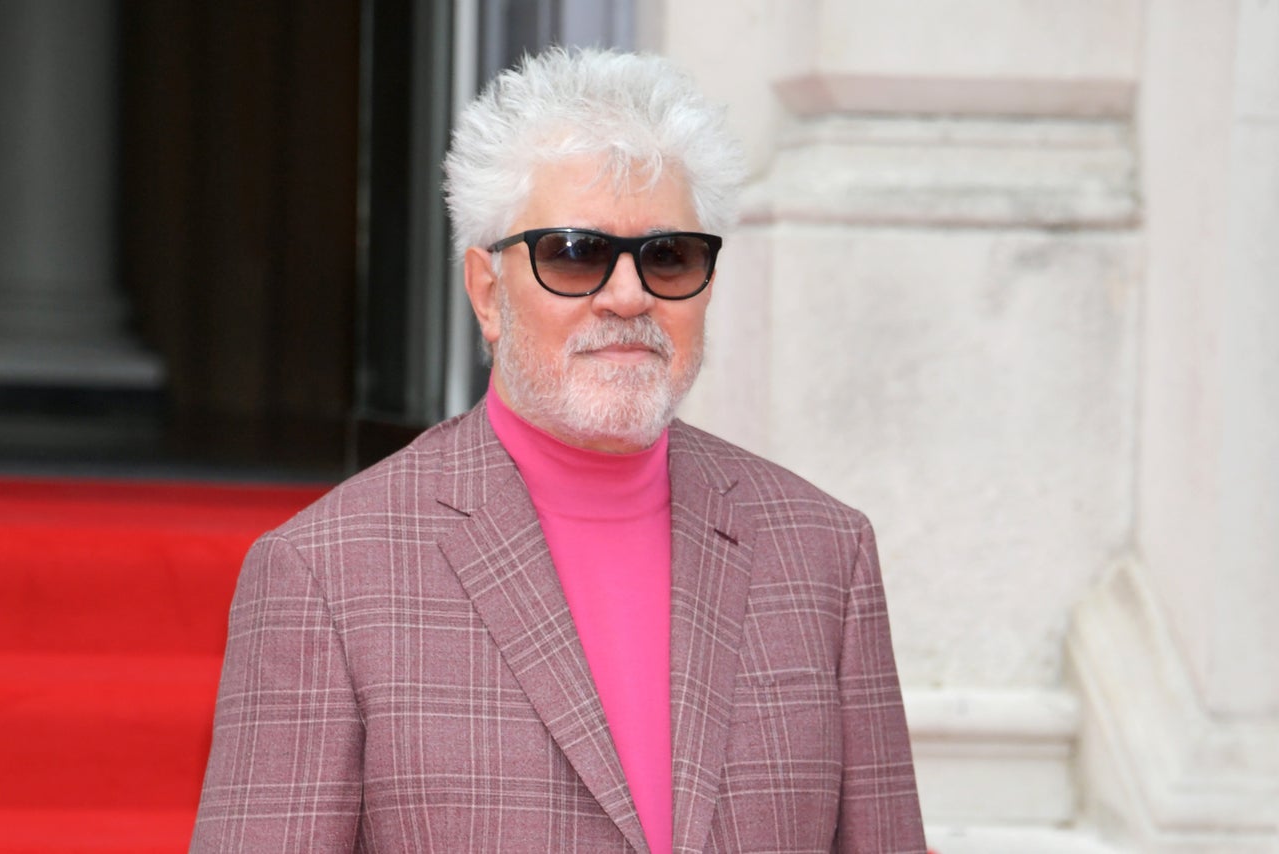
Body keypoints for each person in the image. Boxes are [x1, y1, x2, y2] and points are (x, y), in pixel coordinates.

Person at [191, 46, 925, 853]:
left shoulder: (826, 553)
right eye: (573, 255)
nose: (627, 295)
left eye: (668, 255)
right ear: (486, 291)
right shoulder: (326, 575)